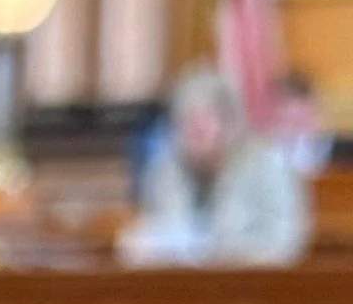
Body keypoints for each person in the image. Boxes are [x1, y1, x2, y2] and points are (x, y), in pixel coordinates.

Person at [118, 63, 310, 267]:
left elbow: (283, 244)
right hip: (181, 287)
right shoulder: (165, 170)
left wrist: (218, 253)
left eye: (203, 123)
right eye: (185, 123)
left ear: (228, 124)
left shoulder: (266, 166)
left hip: (252, 286)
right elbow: (157, 229)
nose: (193, 132)